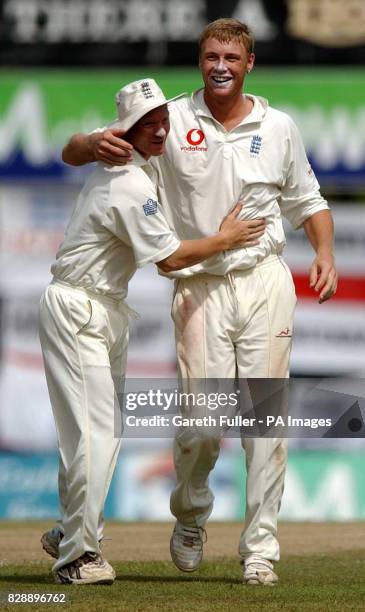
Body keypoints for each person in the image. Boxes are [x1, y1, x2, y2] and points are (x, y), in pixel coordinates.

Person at [61, 18, 338, 586]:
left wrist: (326, 252)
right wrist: (90, 144)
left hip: (264, 279)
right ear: (199, 60)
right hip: (201, 287)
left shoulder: (279, 126)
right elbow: (76, 150)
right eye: (212, 56)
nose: (221, 66)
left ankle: (260, 550)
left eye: (232, 59)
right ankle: (190, 515)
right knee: (203, 424)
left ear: (250, 64)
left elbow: (308, 199)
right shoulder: (169, 122)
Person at [39, 77, 264, 586]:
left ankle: (73, 529)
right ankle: (76, 556)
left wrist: (92, 141)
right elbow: (170, 259)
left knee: (92, 435)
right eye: (148, 123)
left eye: (163, 118)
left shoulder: (135, 161)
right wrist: (225, 238)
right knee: (96, 434)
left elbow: (77, 148)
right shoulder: (127, 182)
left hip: (103, 309)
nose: (161, 128)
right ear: (125, 129)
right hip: (80, 308)